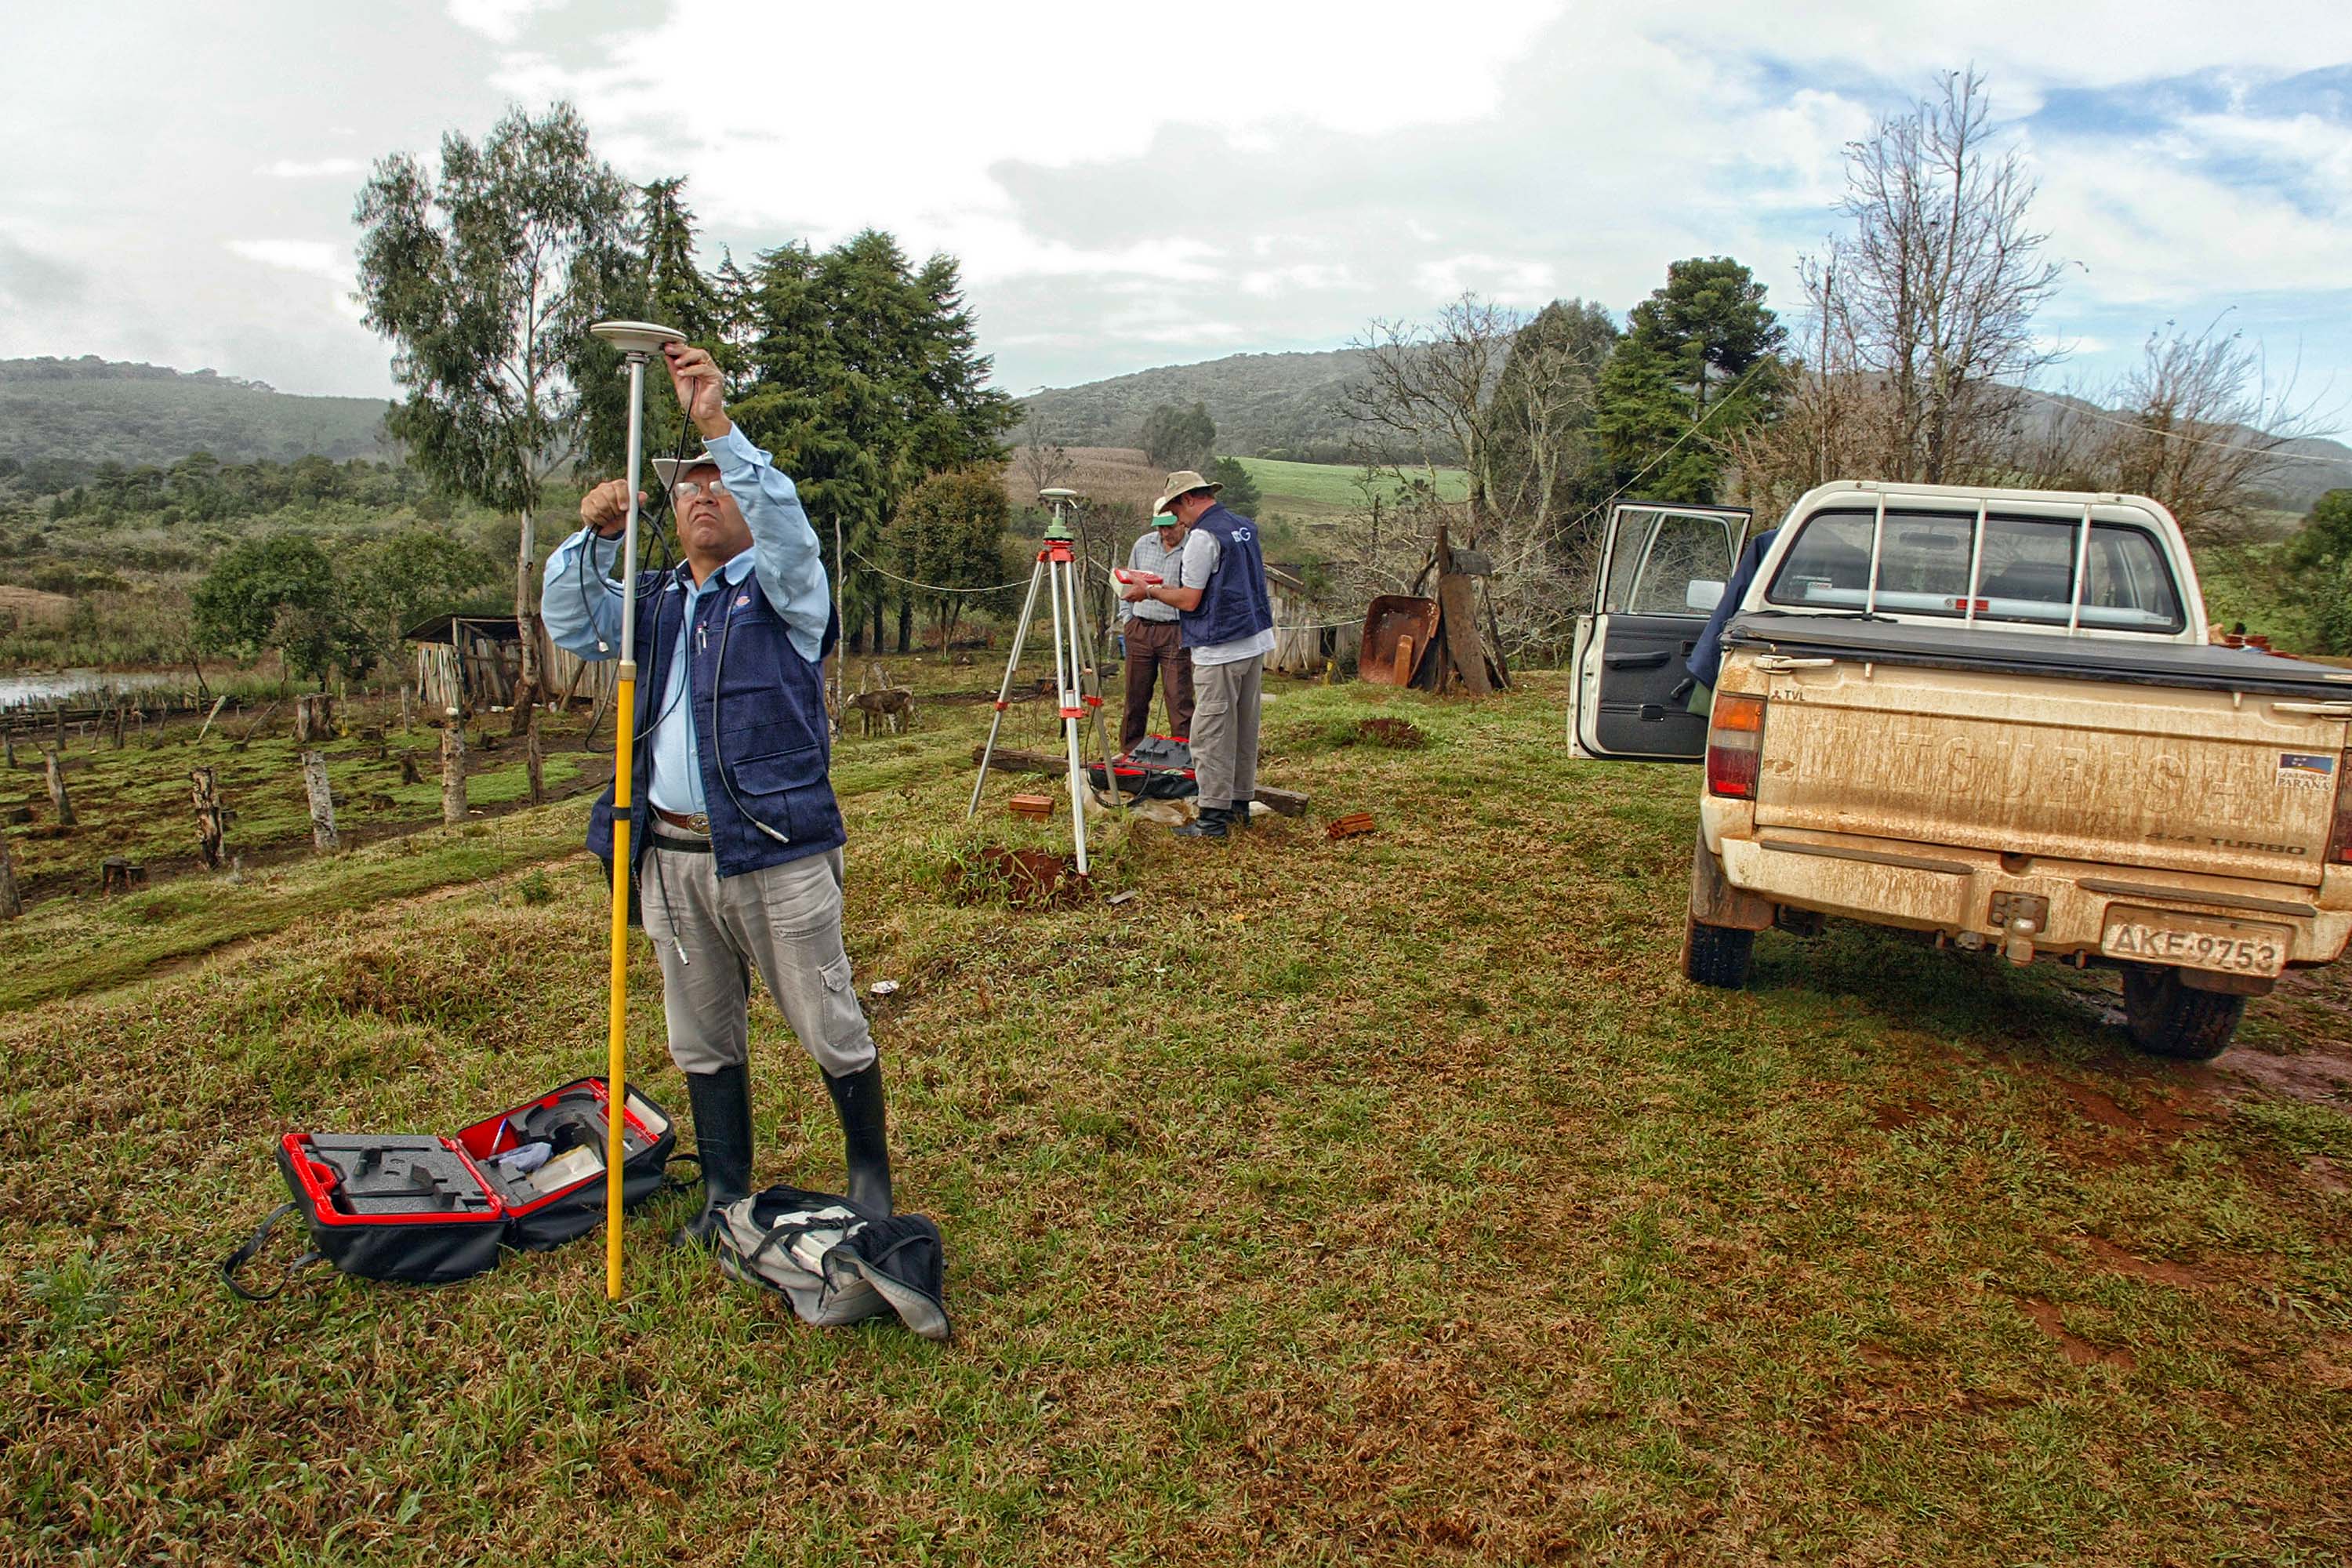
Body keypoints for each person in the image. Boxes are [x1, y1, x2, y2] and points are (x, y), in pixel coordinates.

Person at [541, 341, 891, 1243]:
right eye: (687, 484)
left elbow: (789, 530)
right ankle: (724, 1190)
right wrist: (597, 537)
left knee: (827, 1015)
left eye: (719, 482)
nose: (702, 493)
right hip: (669, 853)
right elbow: (571, 619)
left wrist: (717, 426)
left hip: (776, 847)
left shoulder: (787, 593)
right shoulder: (653, 603)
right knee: (700, 1031)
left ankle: (869, 1176)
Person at [1119, 469, 1274, 840]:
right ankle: (1238, 805)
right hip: (1253, 641)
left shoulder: (1203, 537)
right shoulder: (1243, 527)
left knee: (1210, 736)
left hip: (1220, 647)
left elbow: (1190, 599)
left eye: (1176, 511)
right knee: (1243, 730)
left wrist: (1149, 592)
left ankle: (1212, 819)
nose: (1179, 520)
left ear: (1188, 499)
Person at [1115, 511, 1195, 752]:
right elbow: (1126, 582)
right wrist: (1127, 618)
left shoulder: (1194, 548)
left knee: (1179, 699)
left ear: (1182, 523)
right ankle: (1130, 751)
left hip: (1174, 631)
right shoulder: (1143, 545)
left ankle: (1185, 755)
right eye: (1160, 528)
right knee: (1135, 696)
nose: (1165, 533)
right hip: (1140, 628)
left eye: (1169, 527)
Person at [1683, 526, 1777, 716]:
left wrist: (1707, 665)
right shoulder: (1773, 542)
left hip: (1766, 659)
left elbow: (1733, 603)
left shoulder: (1774, 543)